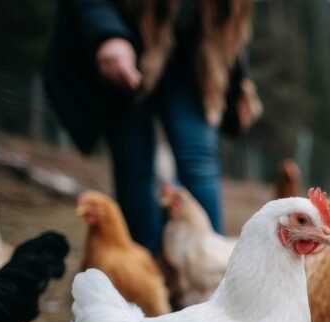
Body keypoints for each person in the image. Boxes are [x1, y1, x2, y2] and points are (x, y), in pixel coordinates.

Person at [43, 0, 261, 253]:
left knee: (199, 159)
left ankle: (210, 269)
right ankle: (146, 267)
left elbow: (229, 28)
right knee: (134, 161)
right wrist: (108, 34)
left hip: (195, 58)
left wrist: (240, 85)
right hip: (129, 41)